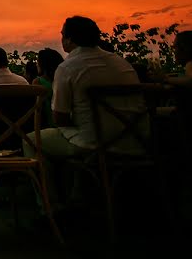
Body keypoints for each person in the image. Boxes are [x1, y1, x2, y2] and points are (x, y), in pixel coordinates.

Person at [27, 16, 142, 213]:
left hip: (94, 142)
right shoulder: (122, 63)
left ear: (70, 39)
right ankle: (76, 194)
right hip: (136, 140)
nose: (62, 39)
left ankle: (49, 208)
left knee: (31, 140)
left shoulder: (68, 67)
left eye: (63, 35)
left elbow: (59, 118)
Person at [32, 48, 64, 127]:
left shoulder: (38, 82)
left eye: (38, 61)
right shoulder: (63, 79)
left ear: (43, 64)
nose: (36, 64)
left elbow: (37, 109)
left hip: (47, 124)